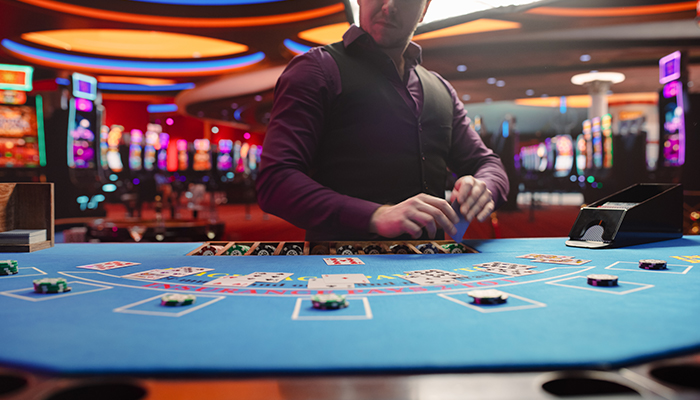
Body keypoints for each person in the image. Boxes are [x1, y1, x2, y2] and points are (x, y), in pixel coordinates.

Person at [257, 0, 509, 241]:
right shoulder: (316, 69)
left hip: (432, 266)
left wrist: (483, 186)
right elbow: (275, 180)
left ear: (425, 9)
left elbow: (487, 164)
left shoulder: (441, 89)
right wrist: (375, 215)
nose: (389, 6)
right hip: (343, 268)